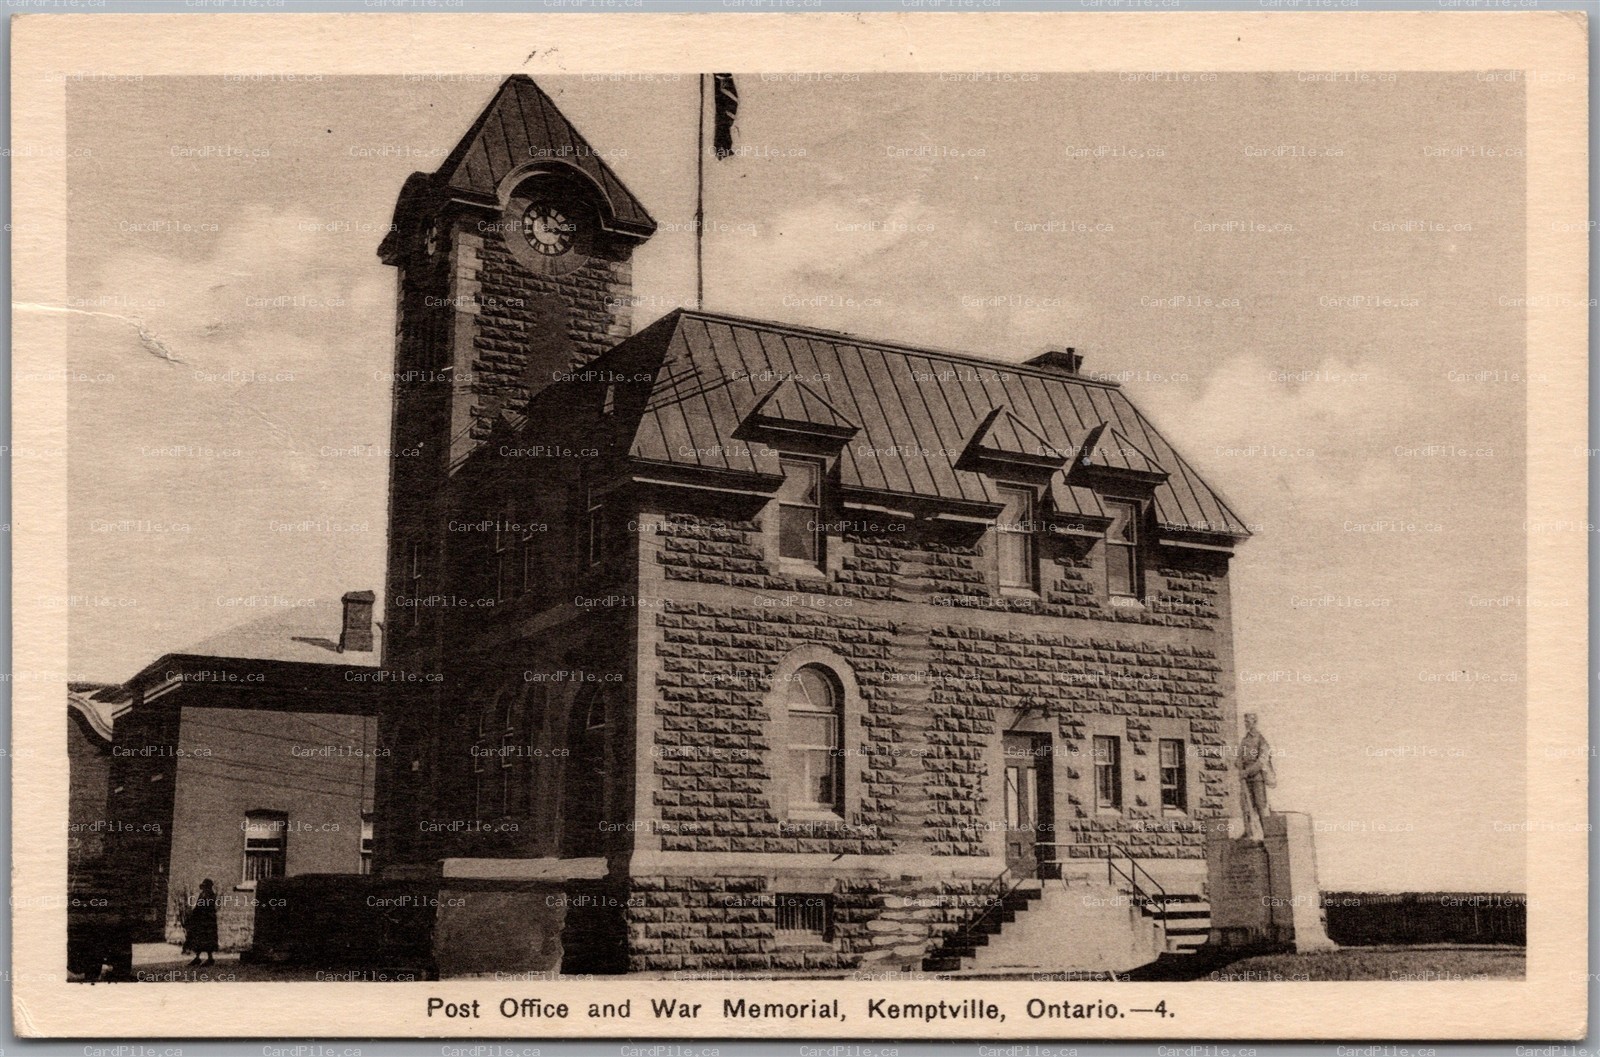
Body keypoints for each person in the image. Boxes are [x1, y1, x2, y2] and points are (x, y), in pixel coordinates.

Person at [1237, 713, 1276, 840]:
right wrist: (1238, 763)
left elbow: (1263, 759)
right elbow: (1239, 757)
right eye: (1245, 722)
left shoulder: (1260, 739)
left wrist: (1248, 771)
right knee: (1246, 805)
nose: (1246, 724)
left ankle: (1266, 833)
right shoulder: (1244, 740)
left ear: (1254, 722)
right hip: (1245, 778)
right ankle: (1248, 832)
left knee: (1260, 805)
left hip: (1256, 777)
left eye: (1248, 721)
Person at [184, 879, 219, 967]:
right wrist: (193, 914)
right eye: (203, 886)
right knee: (198, 938)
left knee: (208, 939)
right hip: (200, 920)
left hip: (208, 922)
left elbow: (209, 908)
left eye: (205, 886)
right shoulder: (202, 894)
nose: (204, 888)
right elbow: (198, 906)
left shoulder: (211, 896)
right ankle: (197, 958)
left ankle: (210, 958)